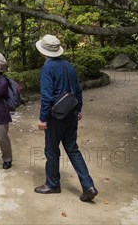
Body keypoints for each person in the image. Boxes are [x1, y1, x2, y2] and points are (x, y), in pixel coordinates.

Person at [34, 34, 98, 202]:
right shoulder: (69, 66)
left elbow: (47, 97)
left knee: (51, 150)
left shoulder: (47, 68)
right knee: (72, 149)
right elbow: (77, 90)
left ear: (44, 51)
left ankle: (53, 184)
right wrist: (78, 110)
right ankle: (88, 185)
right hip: (71, 114)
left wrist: (43, 119)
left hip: (56, 117)